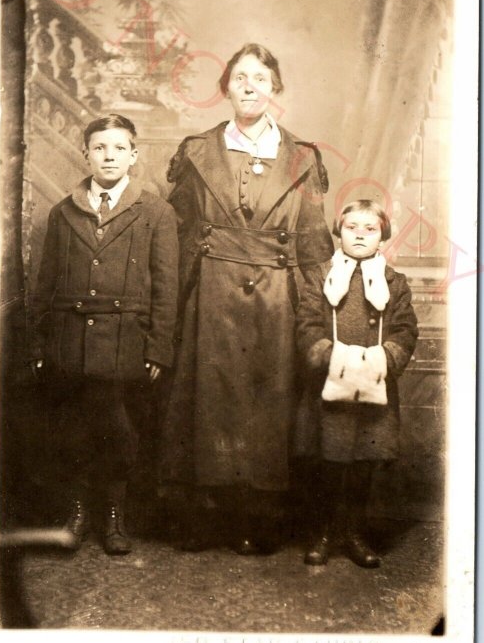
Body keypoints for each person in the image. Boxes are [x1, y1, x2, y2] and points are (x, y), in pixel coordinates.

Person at [160, 43, 334, 554]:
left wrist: (313, 310)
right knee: (206, 399)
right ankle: (204, 515)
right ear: (226, 89)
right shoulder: (196, 151)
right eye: (240, 78)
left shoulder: (303, 157)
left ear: (275, 88)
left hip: (277, 297)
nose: (251, 86)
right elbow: (181, 231)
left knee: (267, 402)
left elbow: (312, 238)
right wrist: (178, 299)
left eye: (261, 78)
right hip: (211, 292)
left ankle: (258, 516)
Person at [28, 114, 179, 555]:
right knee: (72, 429)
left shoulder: (156, 212)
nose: (108, 156)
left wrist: (158, 347)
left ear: (134, 156)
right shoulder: (63, 212)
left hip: (125, 344)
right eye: (99, 148)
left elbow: (165, 287)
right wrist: (40, 344)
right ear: (86, 154)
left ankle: (115, 516)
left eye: (118, 148)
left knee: (120, 431)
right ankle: (76, 513)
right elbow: (45, 283)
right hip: (69, 342)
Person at [295, 199, 418, 568]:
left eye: (370, 229)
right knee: (327, 465)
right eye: (352, 228)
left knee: (363, 465)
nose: (360, 235)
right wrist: (328, 355)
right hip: (329, 385)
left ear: (383, 236)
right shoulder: (321, 275)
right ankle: (323, 533)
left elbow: (406, 329)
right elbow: (307, 324)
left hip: (374, 388)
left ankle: (354, 532)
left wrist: (384, 358)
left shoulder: (395, 282)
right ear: (339, 231)